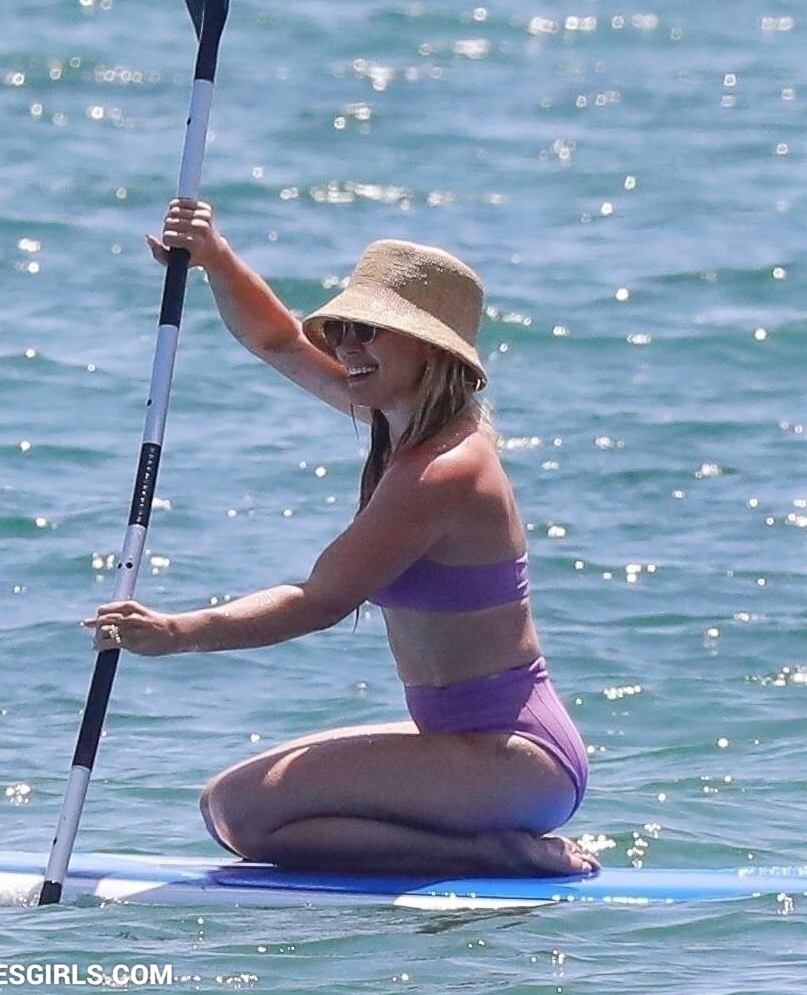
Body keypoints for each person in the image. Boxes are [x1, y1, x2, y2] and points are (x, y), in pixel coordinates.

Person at [84, 199, 598, 879]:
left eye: (369, 331)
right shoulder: (403, 420)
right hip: (476, 746)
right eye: (343, 328)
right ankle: (482, 843)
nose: (347, 346)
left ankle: (493, 852)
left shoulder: (444, 471)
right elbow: (278, 343)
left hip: (515, 758)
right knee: (226, 805)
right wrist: (216, 257)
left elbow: (318, 599)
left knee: (241, 812)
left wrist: (175, 633)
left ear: (431, 348)